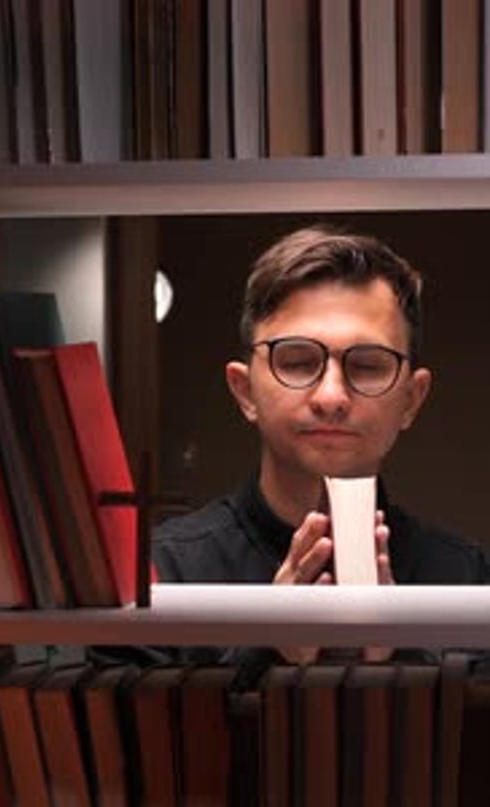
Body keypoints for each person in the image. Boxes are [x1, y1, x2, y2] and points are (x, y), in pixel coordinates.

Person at [151, 226, 490, 677]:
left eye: (367, 365)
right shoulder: (162, 572)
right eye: (295, 362)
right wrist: (266, 650)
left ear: (411, 399)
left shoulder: (466, 577)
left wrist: (402, 655)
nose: (331, 396)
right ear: (244, 389)